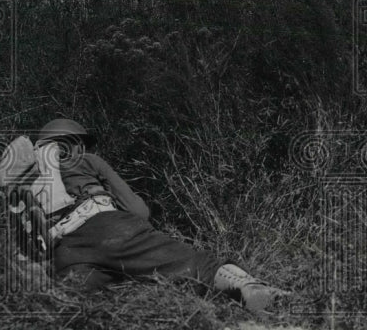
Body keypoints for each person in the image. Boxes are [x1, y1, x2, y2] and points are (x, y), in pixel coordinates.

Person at [26, 118, 287, 312]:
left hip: (66, 253)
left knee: (87, 305)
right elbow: (139, 211)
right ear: (74, 145)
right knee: (197, 264)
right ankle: (254, 290)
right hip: (107, 227)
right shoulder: (89, 161)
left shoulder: (31, 183)